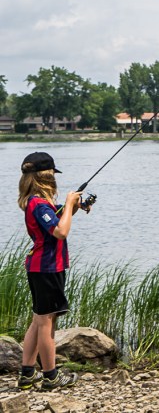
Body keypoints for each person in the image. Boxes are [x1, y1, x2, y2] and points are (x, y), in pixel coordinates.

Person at [17, 152, 90, 391]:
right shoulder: (39, 204)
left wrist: (75, 208)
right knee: (47, 323)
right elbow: (60, 232)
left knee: (38, 321)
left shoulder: (38, 203)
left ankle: (27, 373)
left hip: (41, 268)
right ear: (46, 177)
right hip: (47, 268)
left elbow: (58, 220)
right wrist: (69, 204)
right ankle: (50, 376)